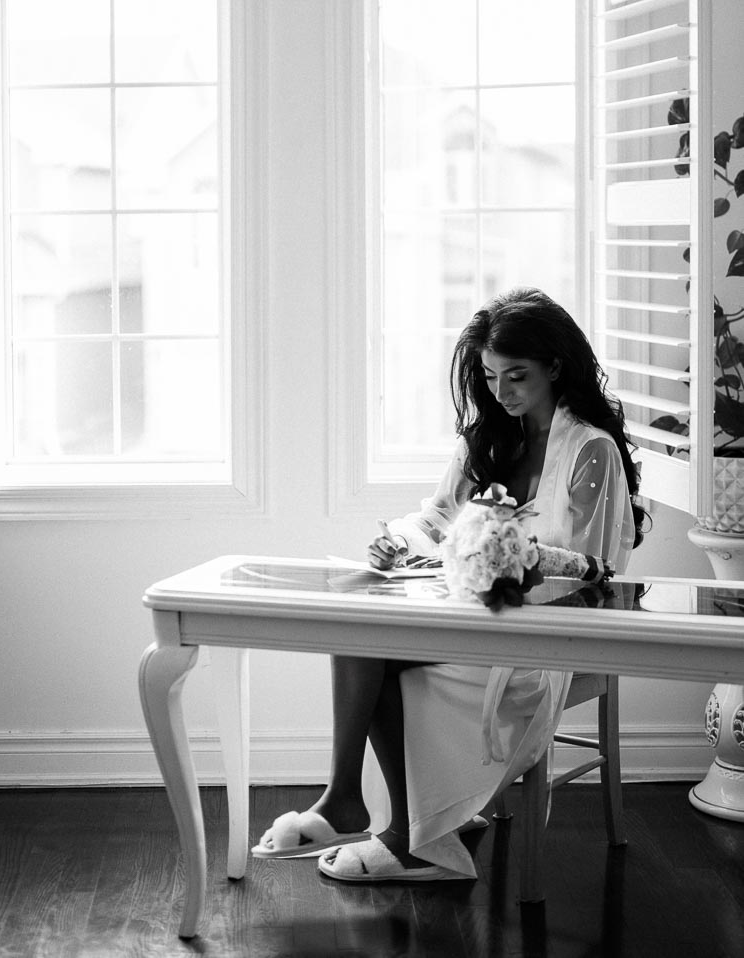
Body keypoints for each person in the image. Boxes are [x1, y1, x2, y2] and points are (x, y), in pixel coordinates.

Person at [253, 287, 642, 883]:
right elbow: (436, 520)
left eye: (517, 376)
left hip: (548, 633)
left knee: (372, 645)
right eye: (489, 377)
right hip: (471, 619)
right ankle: (370, 811)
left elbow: (594, 567)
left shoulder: (591, 450)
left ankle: (395, 829)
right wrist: (399, 541)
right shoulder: (486, 438)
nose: (502, 392)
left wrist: (521, 555)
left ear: (555, 368)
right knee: (359, 628)